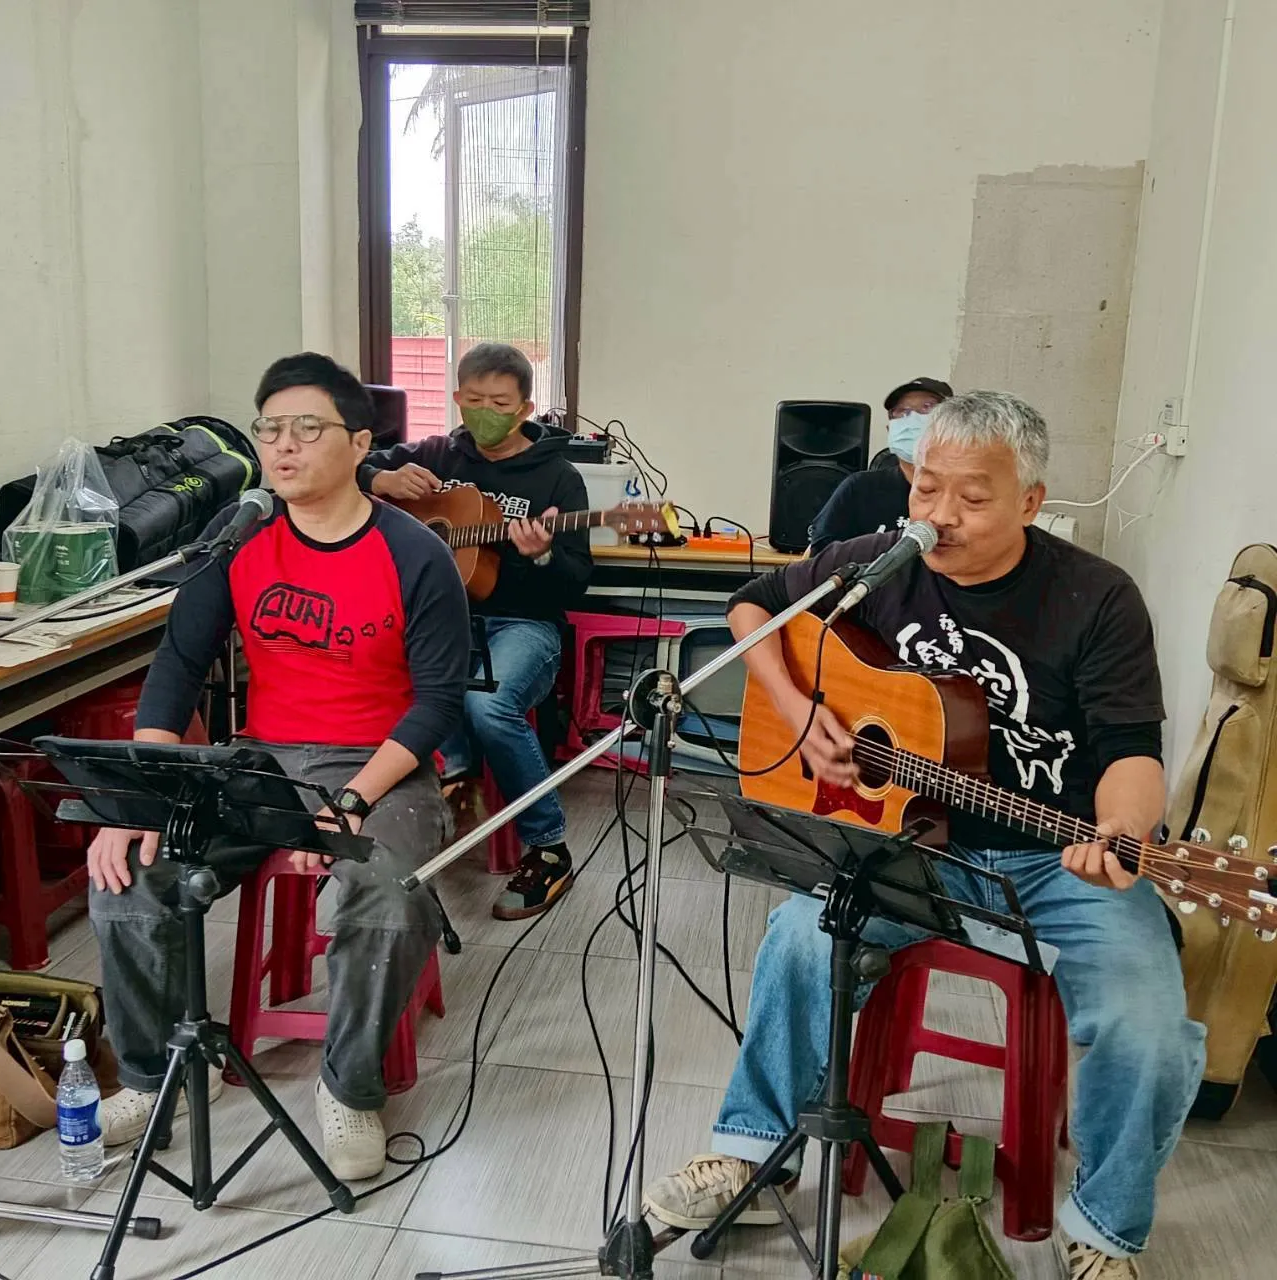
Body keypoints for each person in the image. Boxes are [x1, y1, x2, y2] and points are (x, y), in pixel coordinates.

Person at [643, 390, 1205, 1279]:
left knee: (1151, 1023)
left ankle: (1103, 1229)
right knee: (799, 936)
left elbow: (1132, 752)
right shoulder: (878, 562)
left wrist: (1121, 831)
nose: (940, 515)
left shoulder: (1096, 597)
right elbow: (754, 606)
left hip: (1055, 858)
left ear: (1030, 500)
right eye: (926, 487)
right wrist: (800, 707)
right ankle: (751, 1154)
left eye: (972, 498)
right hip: (906, 844)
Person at [87, 352, 470, 1182]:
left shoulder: (415, 554)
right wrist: (137, 800)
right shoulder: (238, 540)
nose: (283, 446)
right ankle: (154, 1078)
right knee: (129, 873)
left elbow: (440, 700)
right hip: (262, 760)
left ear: (360, 443)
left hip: (381, 764)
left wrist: (357, 799)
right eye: (270, 429)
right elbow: (176, 668)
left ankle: (350, 1087)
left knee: (387, 885)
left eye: (307, 428)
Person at [361, 342, 592, 921]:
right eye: (475, 400)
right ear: (457, 398)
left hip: (525, 626)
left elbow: (574, 583)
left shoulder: (559, 478)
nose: (486, 412)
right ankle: (436, 793)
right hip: (436, 624)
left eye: (501, 403)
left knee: (488, 705)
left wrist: (541, 556)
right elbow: (342, 467)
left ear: (525, 408)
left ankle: (548, 846)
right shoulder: (434, 456)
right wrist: (379, 478)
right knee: (373, 674)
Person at [807, 376, 952, 553]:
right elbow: (822, 554)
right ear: (890, 430)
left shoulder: (965, 494)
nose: (913, 419)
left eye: (927, 408)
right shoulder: (859, 489)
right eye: (902, 411)